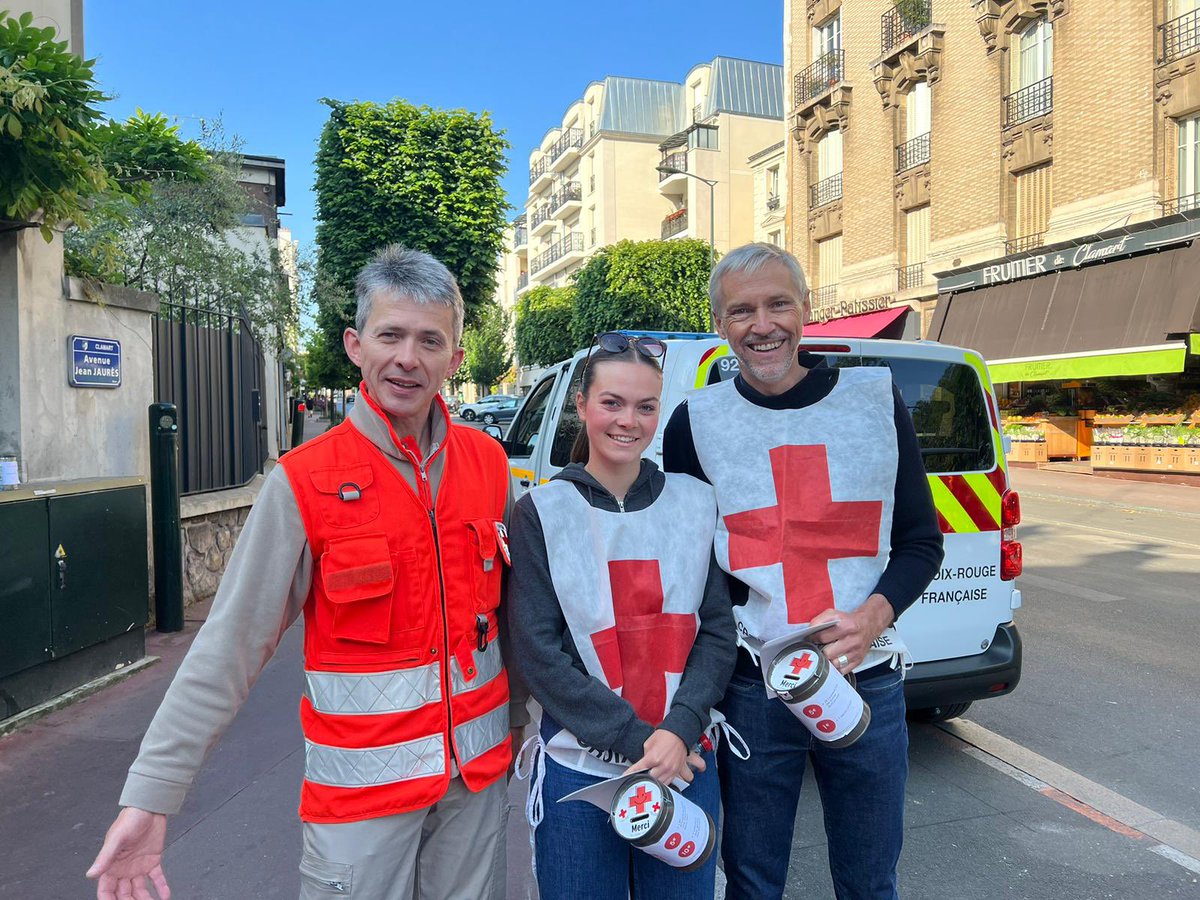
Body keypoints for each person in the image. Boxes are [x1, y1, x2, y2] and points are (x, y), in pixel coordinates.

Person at [87, 246, 525, 900]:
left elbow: (515, 622)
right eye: (390, 335)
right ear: (355, 344)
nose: (409, 356)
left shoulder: (490, 466)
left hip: (476, 790)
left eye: (431, 340)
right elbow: (231, 644)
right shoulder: (304, 481)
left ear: (455, 359)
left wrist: (523, 735)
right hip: (360, 808)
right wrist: (152, 796)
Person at [663, 243, 945, 900]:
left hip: (864, 681)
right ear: (720, 324)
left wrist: (872, 616)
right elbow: (689, 567)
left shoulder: (874, 404)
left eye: (777, 304)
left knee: (870, 882)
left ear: (806, 309)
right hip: (751, 688)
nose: (762, 325)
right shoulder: (695, 423)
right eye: (741, 310)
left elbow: (920, 543)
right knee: (753, 882)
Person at [507, 333, 738, 900]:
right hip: (579, 773)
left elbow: (715, 632)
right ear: (582, 405)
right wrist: (642, 740)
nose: (627, 421)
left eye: (645, 405)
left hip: (683, 763)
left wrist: (680, 728)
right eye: (611, 402)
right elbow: (538, 651)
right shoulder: (540, 512)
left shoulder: (693, 501)